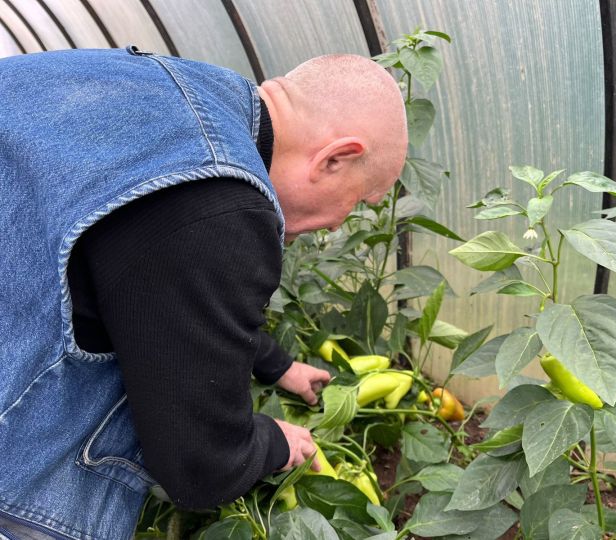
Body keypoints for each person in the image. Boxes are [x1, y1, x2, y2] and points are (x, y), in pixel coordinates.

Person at [0, 46, 407, 540]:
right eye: (359, 202)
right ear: (336, 158)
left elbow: (163, 288)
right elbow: (200, 465)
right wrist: (272, 443)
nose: (339, 224)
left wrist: (278, 367)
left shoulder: (178, 96)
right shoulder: (223, 208)